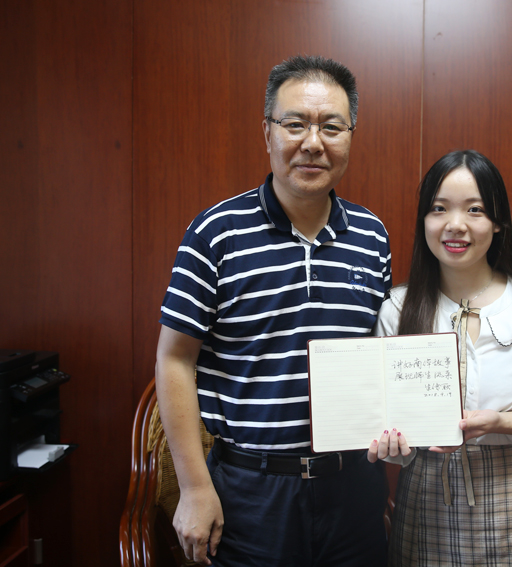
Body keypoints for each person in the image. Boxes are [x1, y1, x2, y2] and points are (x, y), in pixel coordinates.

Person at [155, 55, 392, 567]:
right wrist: (195, 488)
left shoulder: (372, 237)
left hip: (353, 488)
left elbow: (379, 358)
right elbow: (174, 359)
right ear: (267, 132)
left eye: (332, 127)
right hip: (252, 493)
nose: (313, 142)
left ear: (351, 136)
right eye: (295, 124)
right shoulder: (216, 233)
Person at [368, 150, 512, 566]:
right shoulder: (397, 309)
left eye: (475, 210)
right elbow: (388, 423)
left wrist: (499, 422)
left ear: (498, 222)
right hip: (428, 501)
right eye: (439, 209)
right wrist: (389, 440)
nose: (455, 224)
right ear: (424, 220)